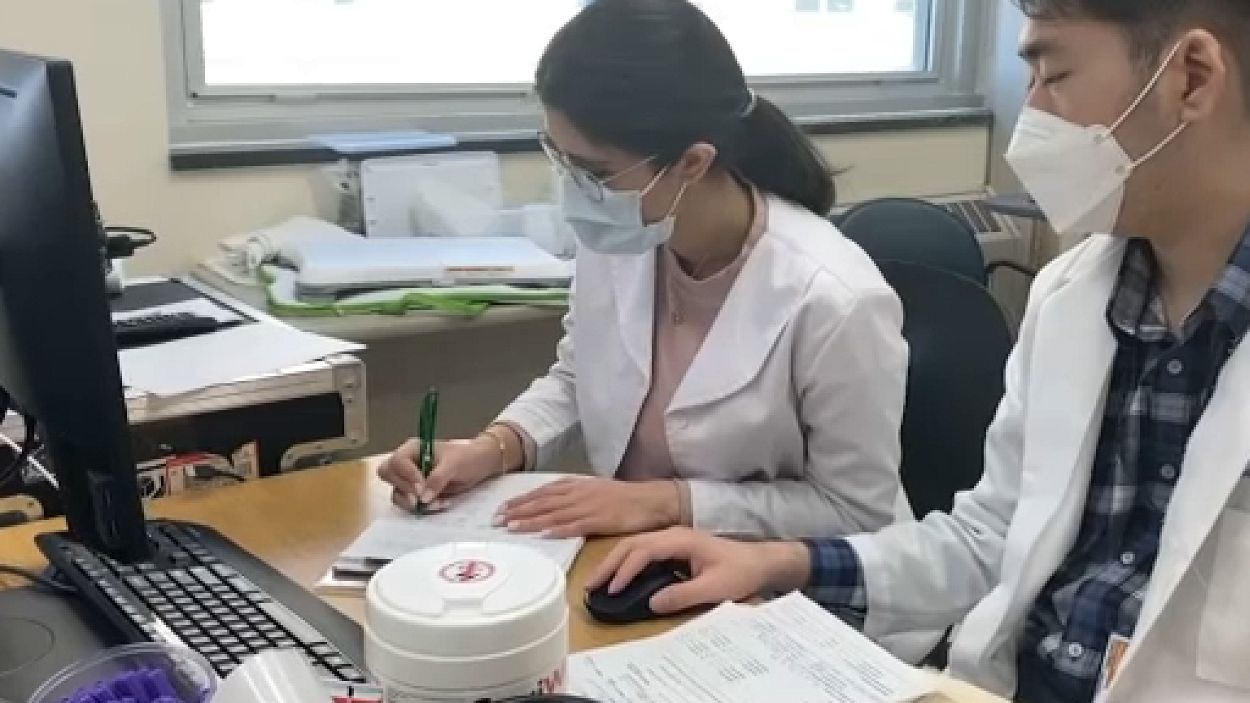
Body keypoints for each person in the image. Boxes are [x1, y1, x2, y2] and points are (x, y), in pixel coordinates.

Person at [590, 1, 1250, 701]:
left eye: (1054, 75)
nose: (1030, 116)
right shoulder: (1073, 299)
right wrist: (776, 563)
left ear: (1192, 77)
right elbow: (988, 540)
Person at [377, 0, 910, 541]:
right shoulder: (627, 231)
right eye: (560, 158)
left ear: (693, 163)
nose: (575, 190)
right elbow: (580, 377)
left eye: (593, 171)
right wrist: (492, 448)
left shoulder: (836, 298)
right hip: (644, 556)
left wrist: (668, 503)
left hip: (782, 580)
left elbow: (854, 511)